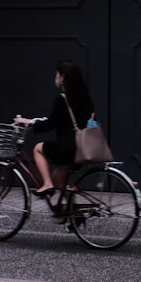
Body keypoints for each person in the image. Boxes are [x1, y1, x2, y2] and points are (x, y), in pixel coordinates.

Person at [15, 58, 95, 200]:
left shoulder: (62, 99)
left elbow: (49, 125)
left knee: (38, 148)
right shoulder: (84, 98)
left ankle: (46, 185)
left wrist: (28, 122)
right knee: (59, 181)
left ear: (63, 77)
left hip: (67, 148)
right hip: (82, 149)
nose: (56, 77)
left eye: (57, 74)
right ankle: (73, 215)